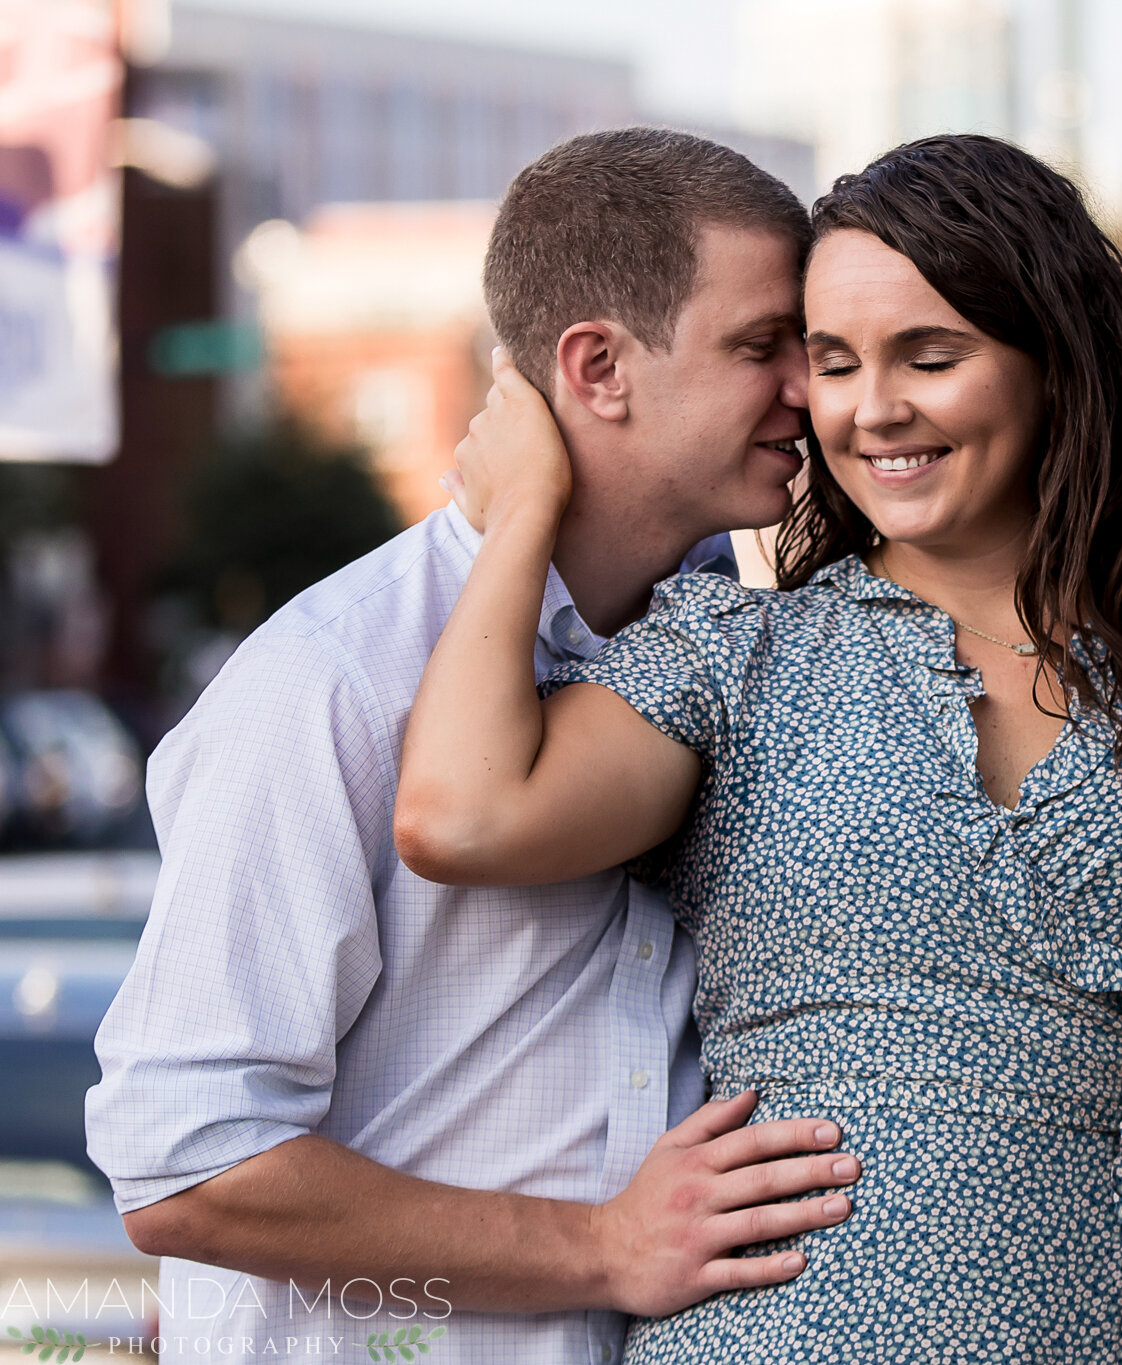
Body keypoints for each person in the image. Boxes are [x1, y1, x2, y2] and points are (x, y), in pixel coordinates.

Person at [397, 135, 1122, 1363]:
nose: (871, 409)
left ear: (1056, 362)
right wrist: (524, 509)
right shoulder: (736, 658)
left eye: (929, 356)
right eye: (833, 364)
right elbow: (459, 818)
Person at [85, 129, 865, 1364]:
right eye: (762, 346)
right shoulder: (332, 682)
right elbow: (188, 1163)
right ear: (597, 367)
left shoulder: (752, 655)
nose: (812, 392)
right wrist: (603, 1246)